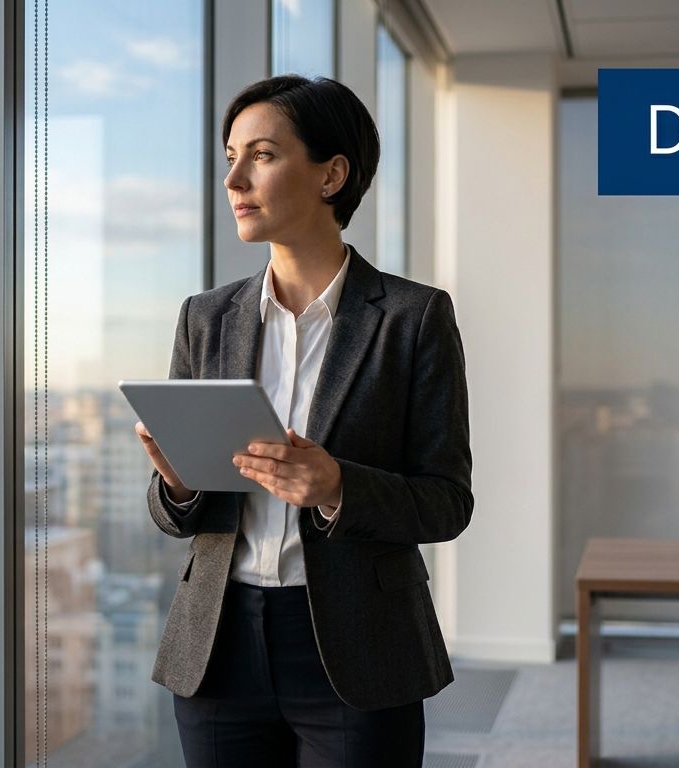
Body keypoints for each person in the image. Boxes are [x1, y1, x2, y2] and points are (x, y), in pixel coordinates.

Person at [134, 74, 473, 768]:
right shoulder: (206, 317)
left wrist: (337, 485)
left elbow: (446, 503)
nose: (234, 177)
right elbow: (180, 515)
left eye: (261, 155)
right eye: (230, 155)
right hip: (219, 646)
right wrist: (177, 488)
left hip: (357, 647)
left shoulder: (413, 320)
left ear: (331, 175)